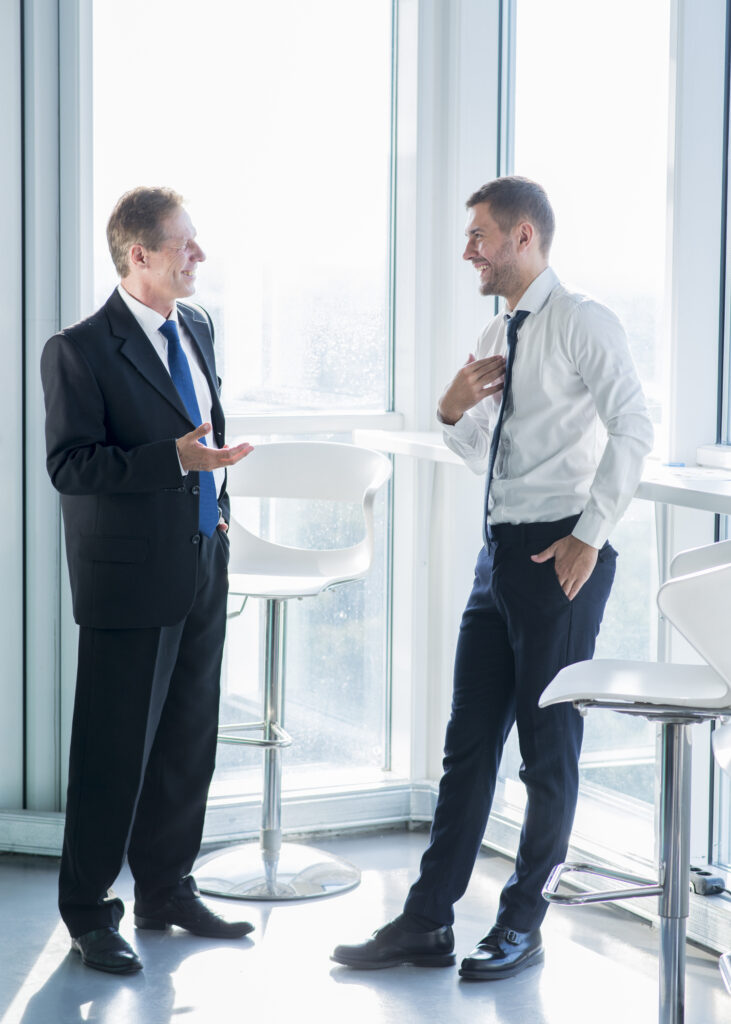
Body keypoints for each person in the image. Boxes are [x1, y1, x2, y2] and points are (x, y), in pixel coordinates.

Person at [332, 176, 653, 980]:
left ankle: (521, 925)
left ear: (523, 237)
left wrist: (588, 536)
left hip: (559, 559)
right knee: (467, 747)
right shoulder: (496, 331)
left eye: (478, 235)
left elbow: (634, 426)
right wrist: (448, 411)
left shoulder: (580, 320)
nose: (467, 251)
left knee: (547, 755)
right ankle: (425, 922)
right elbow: (481, 448)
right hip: (499, 557)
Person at [41, 186, 255, 974]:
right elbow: (71, 466)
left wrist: (216, 508)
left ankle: (165, 889)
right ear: (139, 255)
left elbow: (208, 431)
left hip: (200, 558)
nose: (198, 255)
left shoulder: (196, 325)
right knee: (114, 751)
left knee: (187, 740)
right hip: (128, 579)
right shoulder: (78, 349)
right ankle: (90, 912)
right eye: (182, 243)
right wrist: (172, 460)